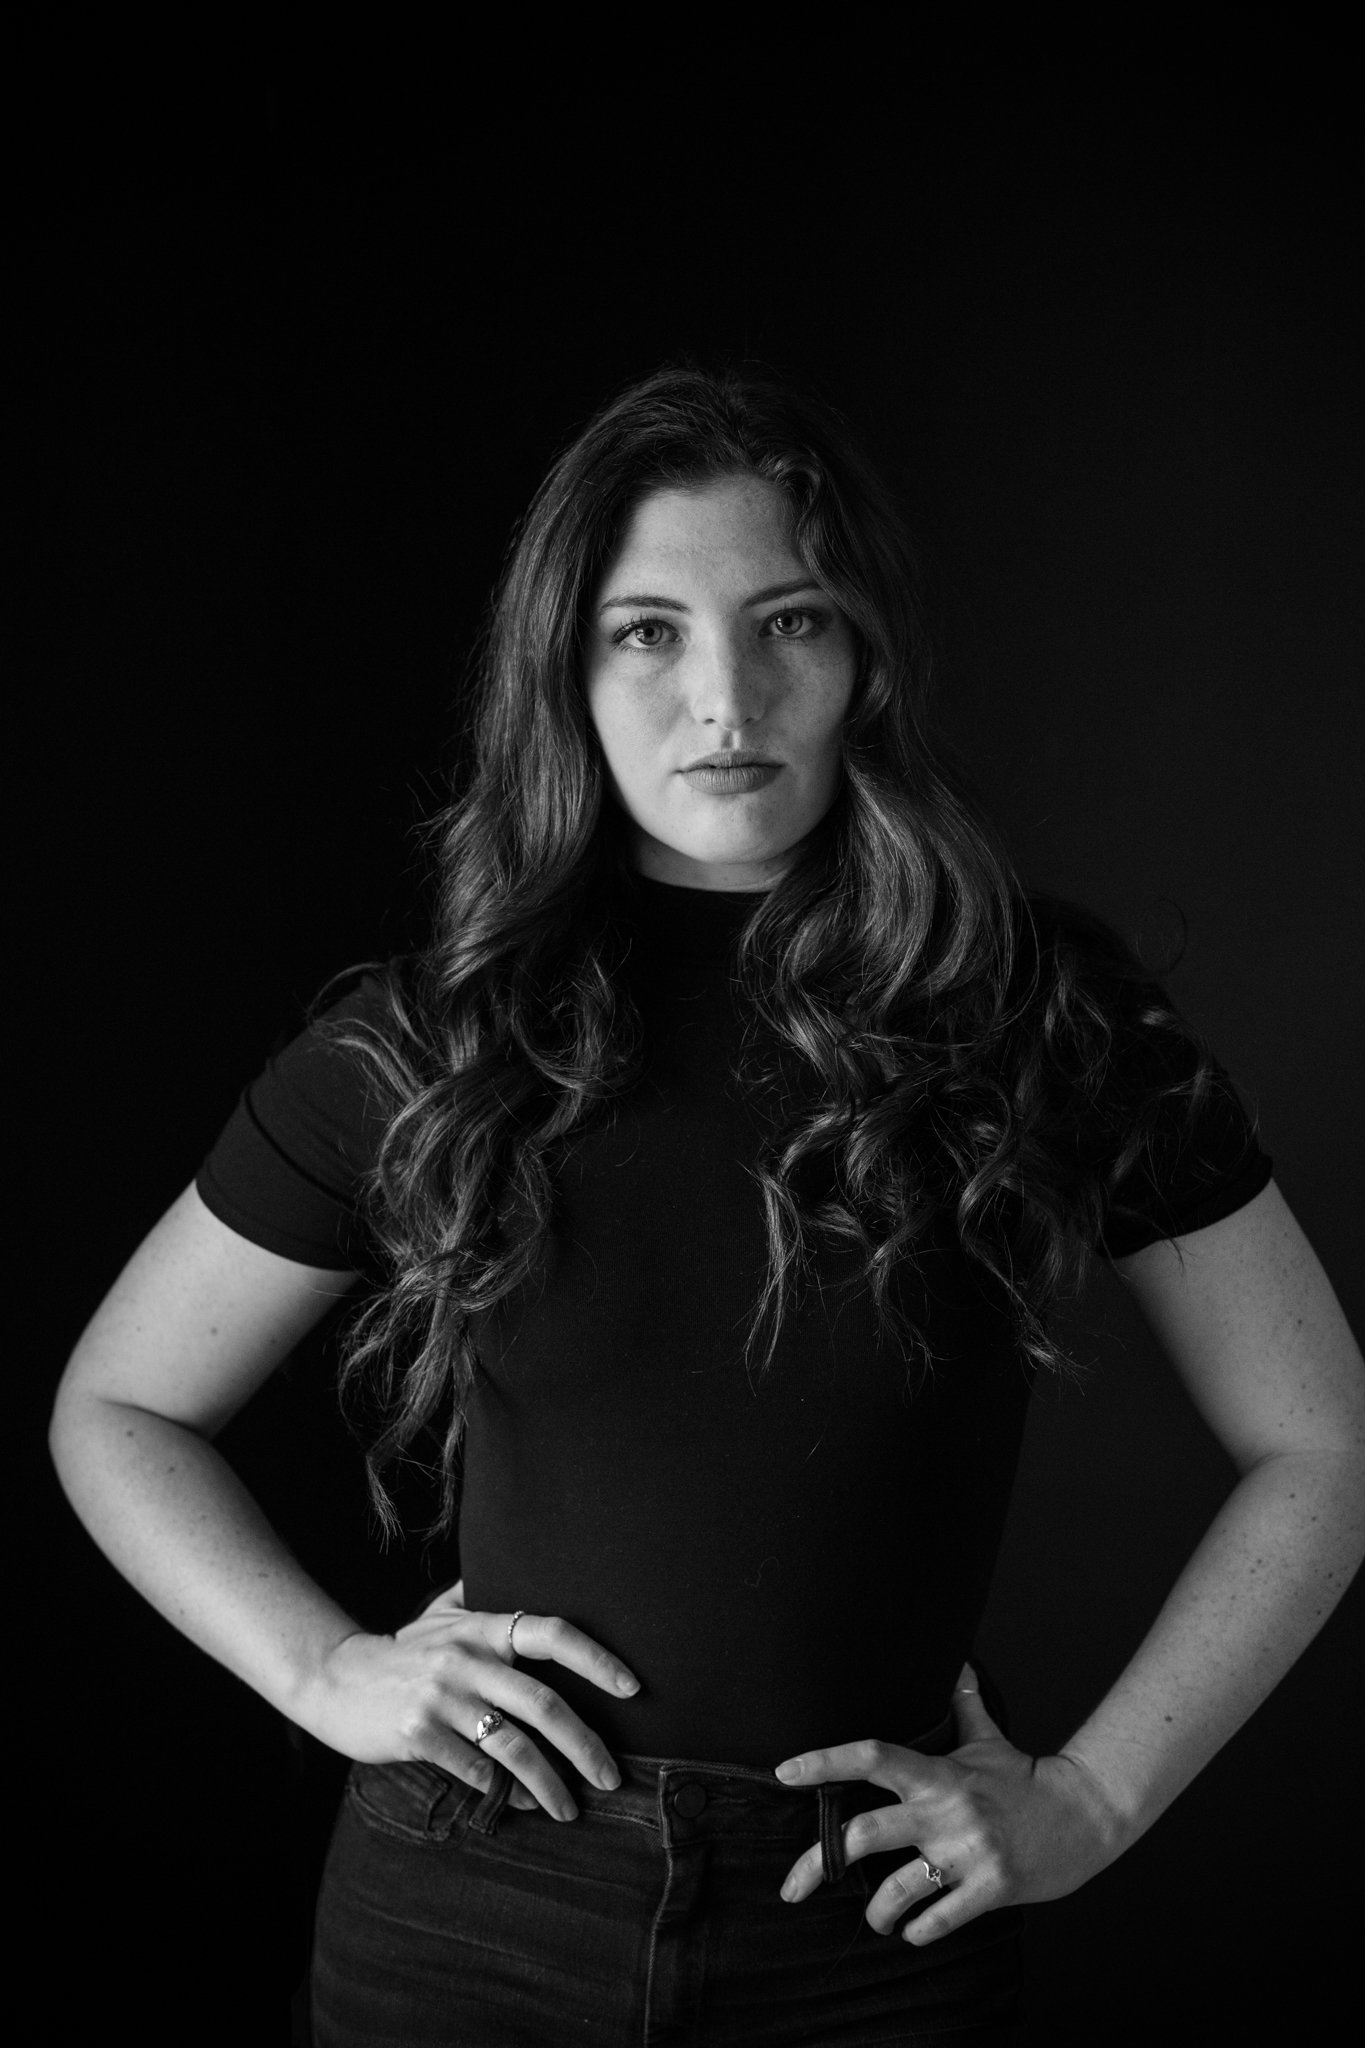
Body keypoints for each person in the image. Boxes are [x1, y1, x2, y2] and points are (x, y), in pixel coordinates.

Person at [49, 360, 1365, 2047]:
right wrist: (321, 1672)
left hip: (870, 1931)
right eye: (647, 630)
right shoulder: (429, 1039)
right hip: (468, 1916)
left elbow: (1321, 1441)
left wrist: (1094, 1801)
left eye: (791, 621)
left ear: (867, 659)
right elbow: (121, 1404)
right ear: (566, 670)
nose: (723, 695)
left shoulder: (1041, 1013)